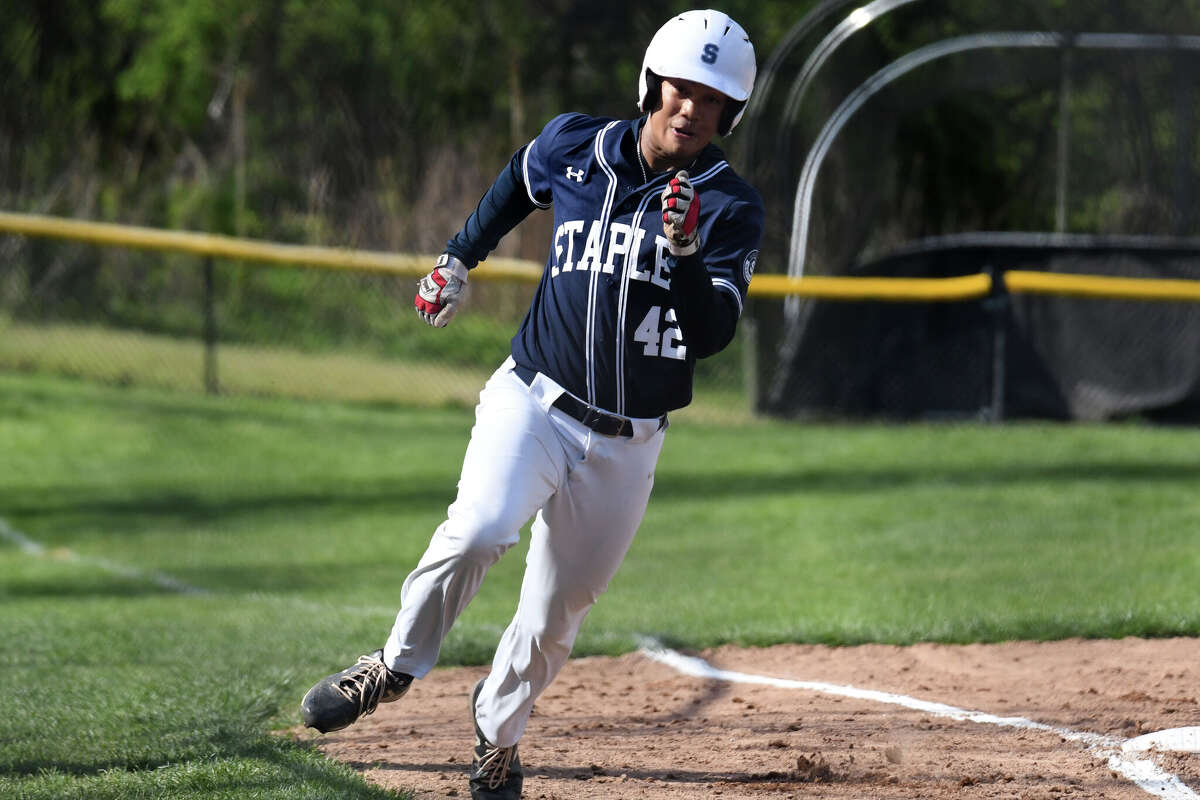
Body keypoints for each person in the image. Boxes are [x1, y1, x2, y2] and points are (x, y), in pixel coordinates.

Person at [300, 9, 763, 799]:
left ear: (729, 115)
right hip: (534, 401)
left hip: (629, 442)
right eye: (681, 89)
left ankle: (497, 734)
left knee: (555, 617)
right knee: (478, 529)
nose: (691, 109)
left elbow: (712, 329)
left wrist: (684, 251)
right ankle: (393, 667)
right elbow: (517, 182)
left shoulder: (728, 207)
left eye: (712, 100)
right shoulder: (574, 145)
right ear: (652, 85)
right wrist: (459, 256)